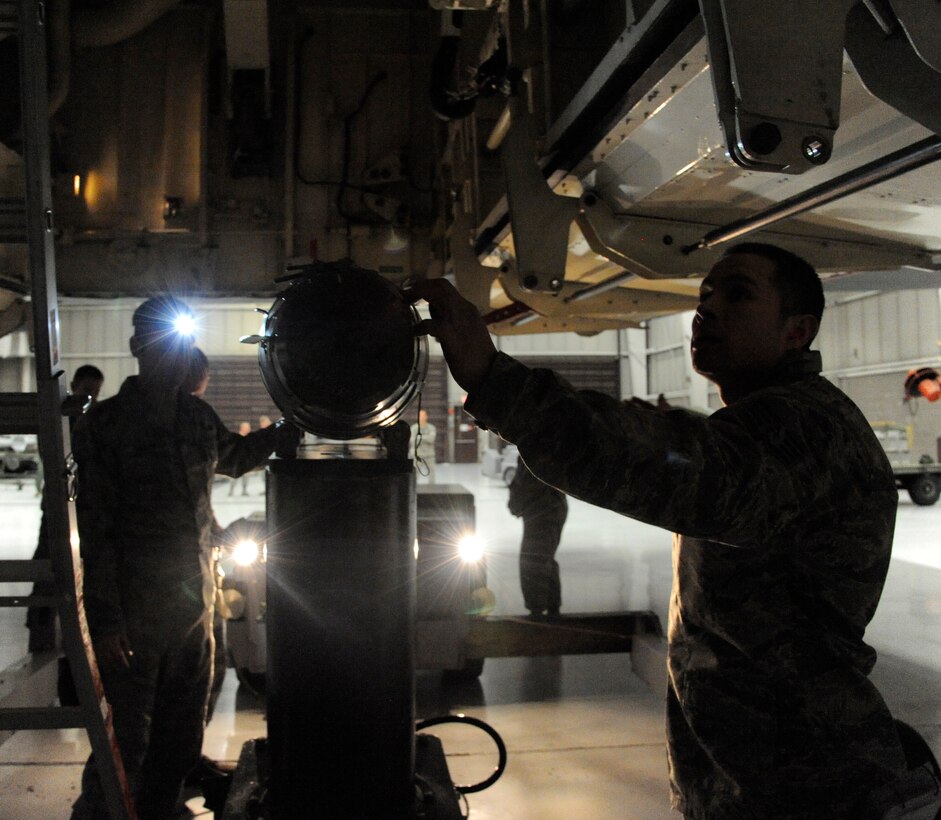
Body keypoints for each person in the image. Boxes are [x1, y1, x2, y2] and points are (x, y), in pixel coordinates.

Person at [407, 243, 909, 819]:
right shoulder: (766, 422)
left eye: (738, 294)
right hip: (753, 779)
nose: (708, 309)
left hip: (808, 788)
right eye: (706, 294)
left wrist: (495, 379)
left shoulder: (807, 430)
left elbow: (675, 471)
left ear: (797, 331)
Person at [70, 296, 300, 820]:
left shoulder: (196, 417)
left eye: (182, 345)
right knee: (125, 741)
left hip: (192, 612)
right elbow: (96, 530)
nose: (177, 355)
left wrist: (289, 428)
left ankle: (161, 812)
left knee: (180, 737)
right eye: (165, 344)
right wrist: (105, 624)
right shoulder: (105, 425)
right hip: (136, 614)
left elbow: (235, 458)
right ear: (136, 349)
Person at [26, 364, 105, 653]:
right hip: (59, 514)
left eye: (95, 393)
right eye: (87, 392)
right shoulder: (61, 420)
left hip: (87, 515)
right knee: (47, 581)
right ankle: (41, 641)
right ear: (73, 386)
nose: (91, 399)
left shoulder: (96, 421)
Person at [507, 459, 567, 617]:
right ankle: (552, 609)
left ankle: (538, 611)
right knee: (544, 559)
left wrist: (515, 503)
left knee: (533, 561)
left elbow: (529, 481)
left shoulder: (535, 444)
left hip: (543, 510)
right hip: (549, 507)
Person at [409, 408, 437, 483]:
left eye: (423, 415)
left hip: (429, 455)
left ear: (426, 416)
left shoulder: (431, 428)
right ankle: (414, 490)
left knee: (432, 474)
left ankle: (432, 490)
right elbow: (413, 441)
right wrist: (425, 438)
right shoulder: (414, 428)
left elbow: (431, 439)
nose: (421, 417)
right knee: (415, 474)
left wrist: (419, 437)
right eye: (420, 415)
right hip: (417, 455)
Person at [228, 422, 252, 496]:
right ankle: (231, 491)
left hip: (246, 461)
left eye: (249, 428)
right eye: (247, 428)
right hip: (237, 461)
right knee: (234, 477)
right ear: (242, 428)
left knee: (246, 477)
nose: (248, 429)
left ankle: (244, 490)